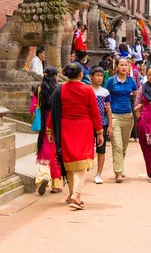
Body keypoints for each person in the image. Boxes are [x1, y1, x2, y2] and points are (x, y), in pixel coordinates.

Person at [50, 63, 103, 210]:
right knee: (82, 162)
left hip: (65, 128)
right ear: (81, 75)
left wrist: (50, 130)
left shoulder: (60, 89)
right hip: (84, 128)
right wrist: (99, 131)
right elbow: (94, 112)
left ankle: (72, 193)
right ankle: (76, 194)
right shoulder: (87, 89)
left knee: (70, 162)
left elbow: (53, 111)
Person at [105, 57, 139, 183]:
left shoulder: (132, 81)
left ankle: (119, 166)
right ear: (117, 67)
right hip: (114, 116)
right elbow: (105, 95)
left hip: (128, 116)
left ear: (129, 67)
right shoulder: (111, 81)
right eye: (121, 65)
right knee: (117, 146)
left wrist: (139, 107)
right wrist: (105, 106)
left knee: (124, 146)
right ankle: (118, 172)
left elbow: (137, 96)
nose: (124, 67)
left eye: (126, 65)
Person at [31, 67, 63, 195]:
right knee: (56, 152)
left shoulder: (38, 90)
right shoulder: (58, 90)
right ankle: (56, 185)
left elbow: (32, 109)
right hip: (55, 123)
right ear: (55, 76)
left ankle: (44, 177)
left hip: (44, 123)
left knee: (44, 150)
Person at [90, 67, 113, 185]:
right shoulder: (87, 90)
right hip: (88, 124)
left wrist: (110, 125)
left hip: (102, 124)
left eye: (101, 75)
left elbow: (108, 109)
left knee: (101, 149)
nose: (99, 78)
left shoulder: (105, 92)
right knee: (88, 148)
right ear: (91, 76)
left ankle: (98, 173)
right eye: (97, 75)